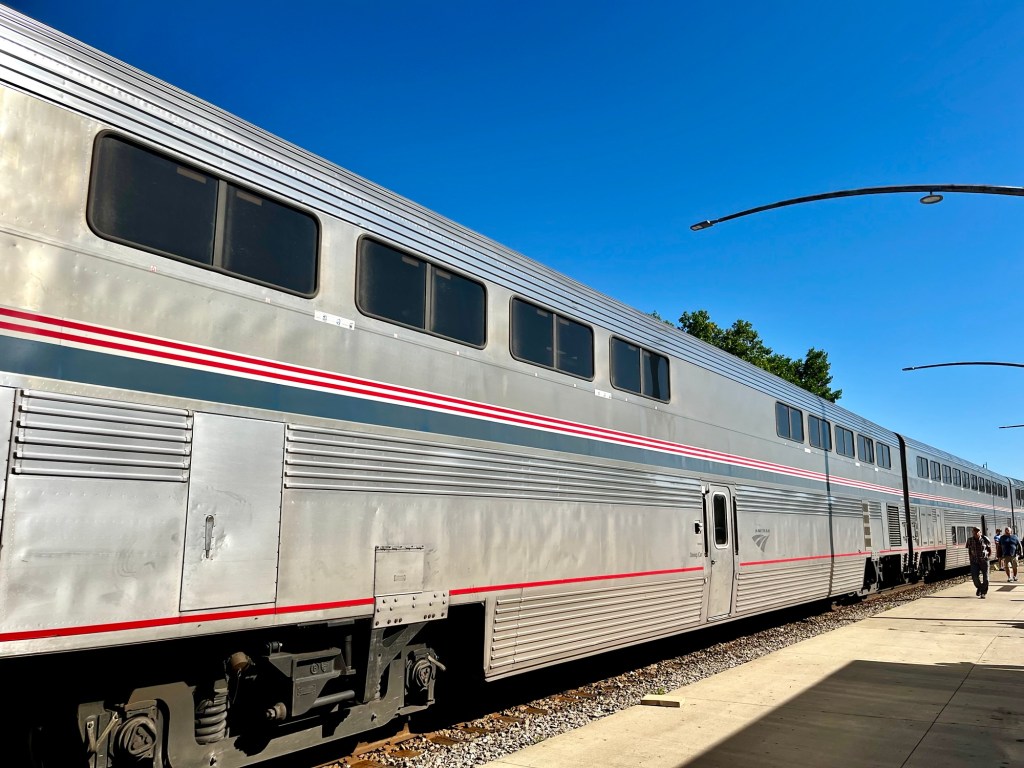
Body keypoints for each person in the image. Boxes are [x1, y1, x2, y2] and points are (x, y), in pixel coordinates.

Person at [966, 527, 990, 598]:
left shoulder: (985, 539)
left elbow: (989, 549)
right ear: (972, 532)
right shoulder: (969, 540)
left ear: (980, 532)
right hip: (974, 561)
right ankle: (979, 587)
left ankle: (983, 593)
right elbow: (969, 550)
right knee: (975, 577)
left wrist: (987, 557)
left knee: (986, 578)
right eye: (974, 531)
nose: (976, 533)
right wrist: (970, 558)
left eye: (977, 531)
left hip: (984, 561)